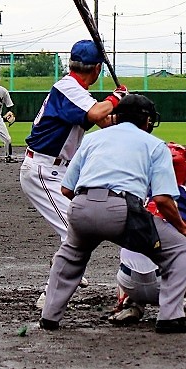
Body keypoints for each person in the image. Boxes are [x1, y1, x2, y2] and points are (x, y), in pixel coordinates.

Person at [39, 94, 186, 334]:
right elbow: (163, 200)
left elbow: (66, 188)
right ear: (147, 120)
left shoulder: (92, 139)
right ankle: (170, 317)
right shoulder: (155, 145)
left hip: (80, 206)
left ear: (116, 116)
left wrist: (91, 209)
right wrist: (183, 228)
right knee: (179, 248)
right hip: (122, 209)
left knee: (70, 256)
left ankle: (49, 317)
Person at [19, 40, 127, 300]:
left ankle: (66, 267)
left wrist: (129, 113)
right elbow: (96, 113)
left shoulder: (75, 91)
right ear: (97, 68)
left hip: (58, 171)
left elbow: (104, 121)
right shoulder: (68, 88)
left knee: (78, 228)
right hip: (43, 170)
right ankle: (52, 291)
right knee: (75, 231)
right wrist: (117, 96)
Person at [108, 142, 186, 326]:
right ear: (184, 170)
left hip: (128, 281)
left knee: (135, 239)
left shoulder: (134, 193)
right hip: (171, 285)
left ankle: (129, 303)